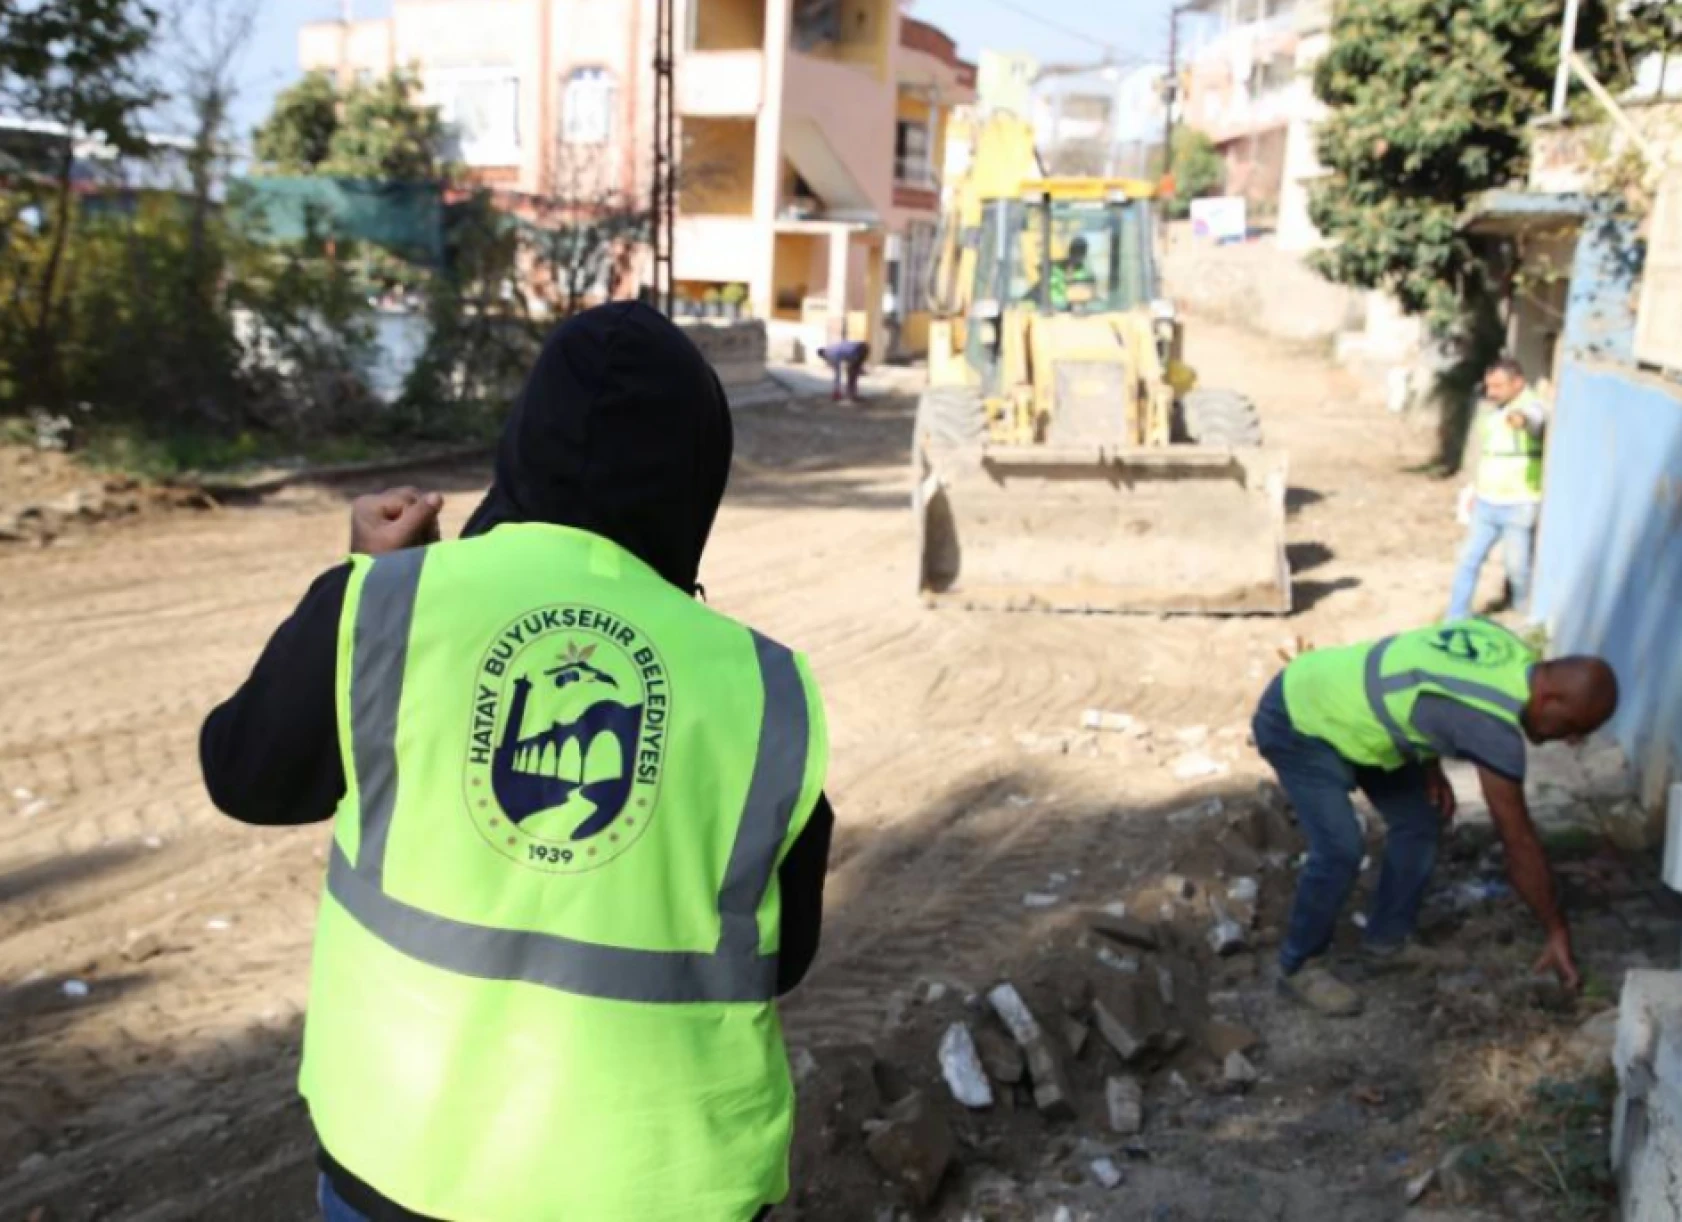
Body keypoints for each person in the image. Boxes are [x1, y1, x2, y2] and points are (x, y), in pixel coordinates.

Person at [200, 302, 835, 1222]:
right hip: (653, 1191)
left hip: (396, 1169)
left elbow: (245, 774)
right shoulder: (761, 687)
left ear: (523, 441)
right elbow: (782, 957)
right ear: (699, 476)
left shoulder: (386, 611)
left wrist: (366, 580)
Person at [1251, 617, 1616, 1017]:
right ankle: (1299, 965)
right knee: (1340, 847)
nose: (1572, 741)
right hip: (1300, 717)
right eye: (1573, 728)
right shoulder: (1490, 726)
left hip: (1350, 706)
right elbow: (1518, 841)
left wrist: (1429, 764)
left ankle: (1386, 943)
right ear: (1549, 701)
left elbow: (1421, 675)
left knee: (1422, 818)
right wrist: (1555, 929)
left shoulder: (1505, 646)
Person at [1448, 357, 1547, 621]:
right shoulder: (1494, 410)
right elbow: (1485, 453)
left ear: (1518, 383)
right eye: (1489, 386)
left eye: (1498, 387)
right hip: (1487, 501)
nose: (1491, 393)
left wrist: (1522, 419)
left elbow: (1535, 421)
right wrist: (1472, 490)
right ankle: (1454, 618)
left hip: (1519, 502)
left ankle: (1524, 616)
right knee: (1468, 560)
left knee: (1518, 569)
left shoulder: (1531, 405)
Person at [1048, 235, 1098, 310]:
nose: (1079, 255)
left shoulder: (1084, 269)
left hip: (1081, 308)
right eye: (1076, 251)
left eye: (1082, 252)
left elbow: (1091, 288)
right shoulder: (1057, 269)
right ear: (1071, 251)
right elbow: (1055, 291)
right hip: (1059, 308)